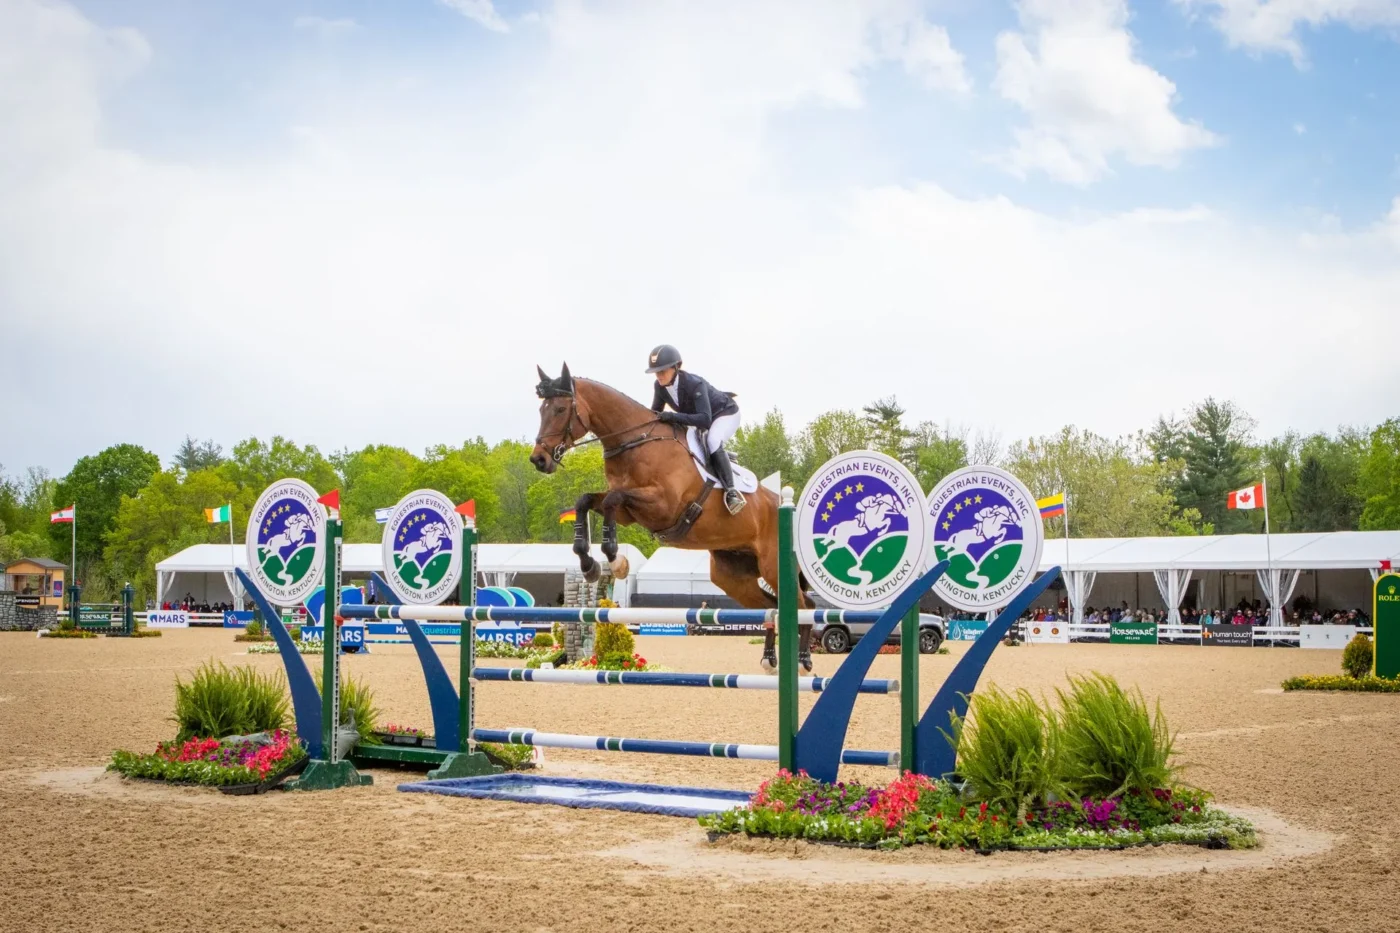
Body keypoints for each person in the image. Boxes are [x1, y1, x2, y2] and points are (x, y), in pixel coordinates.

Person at [645, 344, 745, 515]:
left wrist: (672, 416)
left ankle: (731, 492)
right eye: (656, 372)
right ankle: (722, 456)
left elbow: (704, 420)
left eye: (662, 370)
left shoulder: (694, 384)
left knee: (713, 440)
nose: (659, 375)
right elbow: (655, 414)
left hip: (725, 413)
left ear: (676, 367)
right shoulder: (659, 386)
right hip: (702, 418)